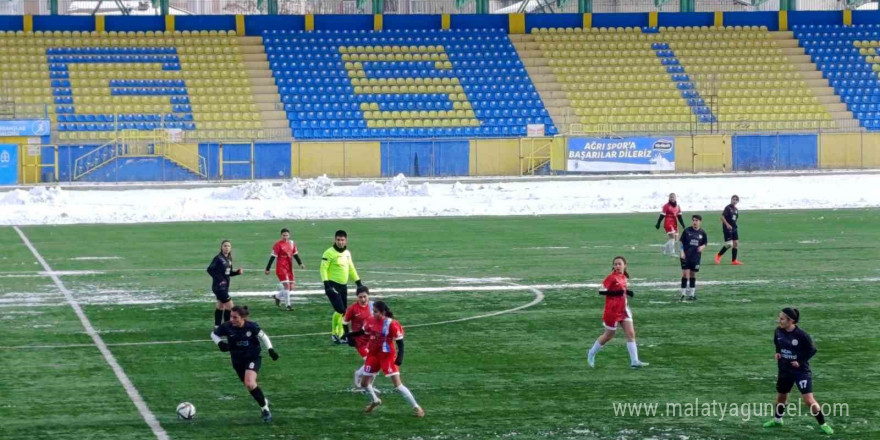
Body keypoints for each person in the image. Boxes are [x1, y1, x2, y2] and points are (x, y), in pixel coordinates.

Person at [763, 308, 833, 435]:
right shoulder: (778, 331)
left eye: (782, 319)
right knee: (781, 397)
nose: (779, 320)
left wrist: (799, 361)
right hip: (784, 370)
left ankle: (823, 424)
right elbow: (777, 344)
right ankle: (777, 420)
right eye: (779, 318)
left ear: (791, 321)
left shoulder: (802, 335)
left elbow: (812, 350)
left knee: (808, 400)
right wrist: (778, 353)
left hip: (801, 372)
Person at [352, 301, 425, 417]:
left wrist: (400, 357)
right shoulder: (370, 321)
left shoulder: (392, 324)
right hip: (373, 355)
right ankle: (375, 401)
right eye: (373, 311)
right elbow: (363, 332)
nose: (373, 313)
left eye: (375, 311)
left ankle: (417, 407)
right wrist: (351, 336)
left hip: (387, 356)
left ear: (382, 312)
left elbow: (400, 343)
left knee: (398, 384)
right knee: (364, 383)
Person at [211, 305, 280, 422]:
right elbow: (213, 334)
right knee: (250, 386)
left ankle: (265, 409)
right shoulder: (227, 326)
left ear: (243, 317)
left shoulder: (251, 326)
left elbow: (264, 337)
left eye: (235, 317)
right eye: (231, 317)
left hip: (252, 357)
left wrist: (270, 350)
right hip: (237, 360)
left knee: (249, 382)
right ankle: (263, 400)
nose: (231, 319)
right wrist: (220, 343)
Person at [586, 256, 648, 369]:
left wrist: (627, 292)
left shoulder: (624, 277)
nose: (617, 266)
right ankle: (591, 352)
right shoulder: (611, 277)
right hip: (612, 311)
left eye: (619, 264)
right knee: (608, 335)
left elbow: (621, 290)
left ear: (625, 265)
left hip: (624, 309)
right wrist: (616, 293)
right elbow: (601, 291)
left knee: (631, 334)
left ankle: (634, 361)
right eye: (615, 264)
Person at [320, 230, 363, 344]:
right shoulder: (328, 253)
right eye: (338, 240)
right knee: (340, 310)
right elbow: (323, 269)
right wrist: (326, 284)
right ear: (335, 240)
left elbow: (351, 268)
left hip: (343, 286)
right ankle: (335, 334)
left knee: (344, 312)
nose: (340, 242)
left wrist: (358, 282)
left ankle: (340, 335)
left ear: (346, 240)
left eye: (342, 240)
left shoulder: (347, 253)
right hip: (332, 285)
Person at [265, 228, 305, 311]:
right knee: (286, 286)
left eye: (286, 235)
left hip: (289, 268)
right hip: (281, 267)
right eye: (283, 235)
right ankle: (288, 306)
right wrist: (267, 268)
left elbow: (295, 254)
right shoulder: (278, 245)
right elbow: (273, 257)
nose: (285, 237)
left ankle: (277, 296)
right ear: (281, 235)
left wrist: (300, 263)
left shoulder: (292, 243)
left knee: (291, 287)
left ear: (289, 235)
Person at [343, 285, 374, 390]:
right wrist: (349, 338)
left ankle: (366, 382)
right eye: (360, 297)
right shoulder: (352, 308)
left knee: (375, 364)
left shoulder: (372, 307)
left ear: (368, 296)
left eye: (365, 296)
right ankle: (361, 378)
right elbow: (345, 322)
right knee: (371, 362)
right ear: (357, 297)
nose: (363, 299)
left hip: (372, 339)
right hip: (359, 340)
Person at [207, 240, 243, 329]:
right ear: (221, 247)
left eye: (228, 246)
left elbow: (228, 273)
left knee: (220, 306)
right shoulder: (218, 258)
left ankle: (217, 327)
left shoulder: (229, 259)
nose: (227, 247)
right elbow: (209, 269)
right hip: (219, 287)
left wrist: (237, 272)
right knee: (231, 307)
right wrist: (219, 279)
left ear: (231, 248)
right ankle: (228, 327)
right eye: (225, 246)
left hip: (225, 287)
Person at [679, 215, 707, 302]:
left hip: (695, 257)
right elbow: (681, 242)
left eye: (696, 220)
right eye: (693, 220)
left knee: (693, 275)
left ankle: (692, 294)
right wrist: (682, 251)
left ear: (700, 222)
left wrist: (702, 247)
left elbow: (705, 243)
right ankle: (683, 294)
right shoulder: (687, 231)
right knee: (684, 274)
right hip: (685, 256)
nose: (695, 222)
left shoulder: (702, 233)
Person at [715, 195, 743, 265]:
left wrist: (736, 224)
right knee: (729, 244)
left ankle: (734, 260)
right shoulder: (728, 208)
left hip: (734, 228)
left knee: (736, 243)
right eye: (733, 199)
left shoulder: (736, 210)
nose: (734, 201)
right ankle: (718, 255)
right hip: (727, 228)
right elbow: (722, 217)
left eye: (736, 200)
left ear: (737, 201)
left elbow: (735, 218)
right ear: (731, 200)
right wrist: (727, 225)